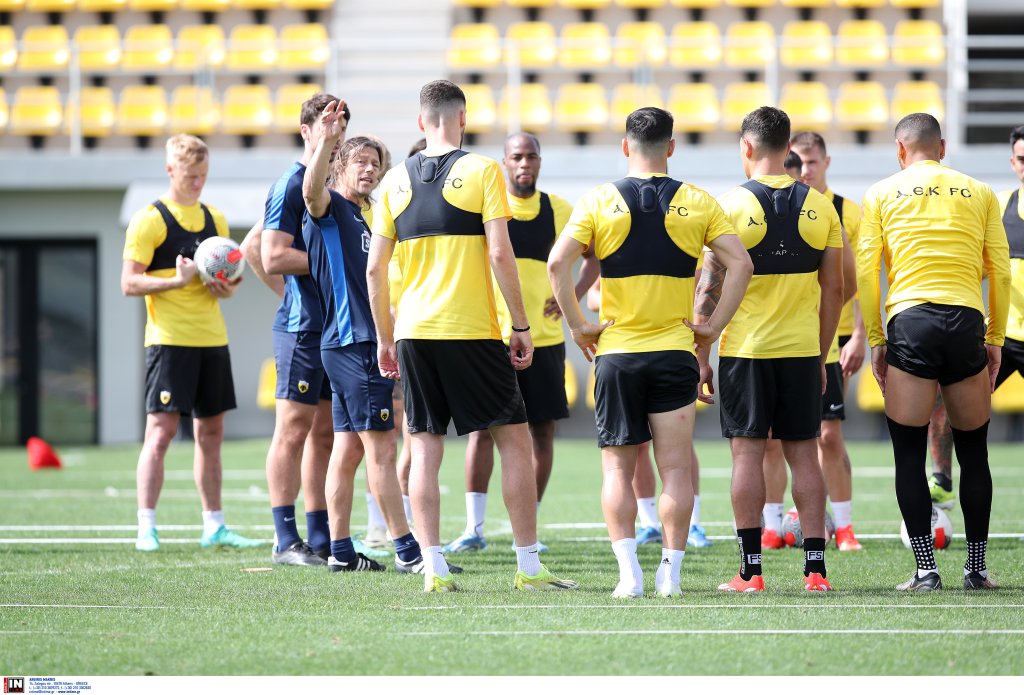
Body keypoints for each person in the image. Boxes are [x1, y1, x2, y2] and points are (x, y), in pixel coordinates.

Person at [367, 80, 576, 592]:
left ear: (422, 122)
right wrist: (521, 325)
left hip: (413, 332)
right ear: (463, 118)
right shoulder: (483, 170)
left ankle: (432, 566)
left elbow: (374, 270)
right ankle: (529, 567)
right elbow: (500, 253)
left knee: (424, 446)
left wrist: (385, 339)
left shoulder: (393, 181)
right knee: (515, 440)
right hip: (472, 330)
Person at [549, 107, 752, 598]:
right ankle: (671, 576)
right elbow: (741, 264)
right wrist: (711, 330)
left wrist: (578, 327)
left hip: (616, 355)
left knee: (617, 469)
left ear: (625, 146)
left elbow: (557, 264)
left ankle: (629, 576)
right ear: (672, 147)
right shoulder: (698, 200)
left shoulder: (598, 199)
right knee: (676, 469)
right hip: (675, 353)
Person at [858, 113, 1010, 591]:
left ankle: (926, 570)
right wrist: (995, 338)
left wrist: (877, 339)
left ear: (900, 150)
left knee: (908, 454)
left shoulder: (881, 193)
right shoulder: (980, 191)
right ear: (942, 148)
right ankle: (976, 569)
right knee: (974, 452)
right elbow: (1000, 271)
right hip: (966, 320)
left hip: (911, 322)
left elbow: (866, 273)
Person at [696, 106, 844, 593]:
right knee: (805, 456)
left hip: (746, 352)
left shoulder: (727, 206)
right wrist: (821, 354)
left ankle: (751, 571)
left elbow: (709, 286)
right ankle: (816, 571)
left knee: (747, 456)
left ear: (747, 146)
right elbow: (835, 290)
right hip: (802, 352)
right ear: (788, 147)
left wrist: (702, 353)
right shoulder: (822, 207)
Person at [443, 132, 597, 554]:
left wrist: (572, 297)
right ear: (505, 162)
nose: (524, 163)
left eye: (531, 156)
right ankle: (473, 529)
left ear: (540, 161)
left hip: (543, 341)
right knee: (481, 432)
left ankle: (529, 526)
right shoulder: (488, 206)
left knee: (541, 432)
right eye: (517, 156)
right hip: (491, 337)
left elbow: (593, 257)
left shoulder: (559, 210)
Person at [301, 103, 427, 574]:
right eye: (360, 161)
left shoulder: (362, 217)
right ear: (340, 165)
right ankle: (408, 551)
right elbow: (311, 192)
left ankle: (340, 551)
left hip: (346, 346)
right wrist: (327, 140)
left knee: (348, 448)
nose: (370, 169)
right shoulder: (331, 207)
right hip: (355, 344)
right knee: (382, 448)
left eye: (376, 163)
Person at [122, 134, 261, 552]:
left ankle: (214, 525)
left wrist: (225, 288)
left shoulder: (216, 220)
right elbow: (128, 282)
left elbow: (227, 283)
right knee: (161, 433)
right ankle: (146, 527)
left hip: (212, 339)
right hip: (168, 341)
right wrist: (176, 281)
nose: (198, 182)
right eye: (190, 175)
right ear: (170, 170)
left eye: (203, 175)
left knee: (212, 433)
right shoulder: (150, 219)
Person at [239, 93, 339, 566]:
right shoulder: (292, 183)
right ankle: (284, 539)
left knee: (325, 434)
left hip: (333, 328)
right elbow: (266, 251)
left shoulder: (330, 186)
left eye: (341, 125)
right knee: (293, 430)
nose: (335, 133)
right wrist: (293, 294)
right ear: (306, 131)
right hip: (302, 329)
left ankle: (320, 536)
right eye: (326, 125)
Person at [761, 131, 865, 552]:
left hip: (828, 336)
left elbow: (858, 280)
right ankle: (771, 526)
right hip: (775, 336)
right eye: (797, 162)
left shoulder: (843, 212)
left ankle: (844, 527)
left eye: (811, 162)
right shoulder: (765, 207)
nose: (804, 170)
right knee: (769, 437)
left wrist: (860, 334)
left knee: (827, 434)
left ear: (825, 162)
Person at [926, 124, 1024, 511]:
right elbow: (978, 264)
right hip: (1002, 334)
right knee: (945, 402)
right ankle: (942, 481)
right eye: (1022, 159)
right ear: (1012, 162)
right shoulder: (998, 205)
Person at [587, 279, 713, 550]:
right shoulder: (613, 253)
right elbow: (593, 296)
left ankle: (692, 524)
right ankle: (649, 525)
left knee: (675, 455)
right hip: (635, 350)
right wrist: (627, 303)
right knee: (642, 451)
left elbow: (703, 292)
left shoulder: (690, 253)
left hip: (656, 349)